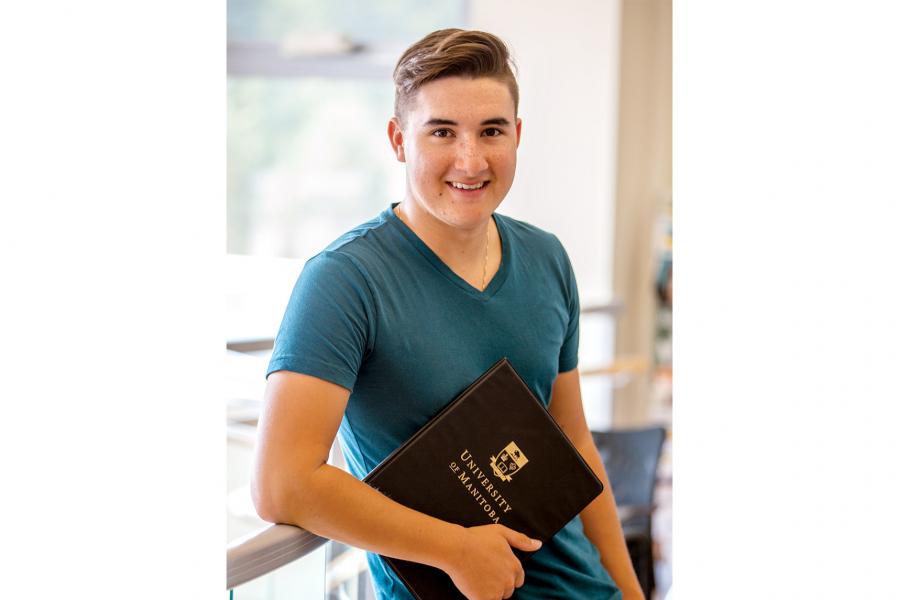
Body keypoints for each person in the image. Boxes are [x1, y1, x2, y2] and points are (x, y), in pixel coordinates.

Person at [252, 28, 644, 600]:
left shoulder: (546, 258)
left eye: (492, 131)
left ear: (517, 136)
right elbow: (282, 484)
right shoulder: (344, 279)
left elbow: (574, 443)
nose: (471, 159)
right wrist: (454, 549)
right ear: (398, 139)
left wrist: (630, 593)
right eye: (442, 131)